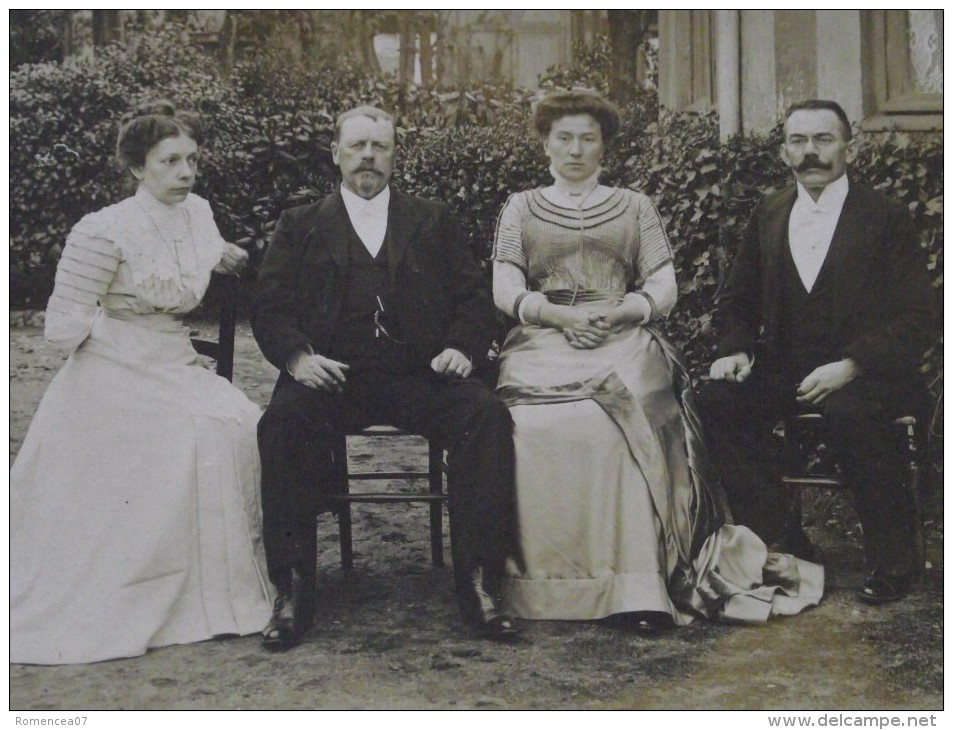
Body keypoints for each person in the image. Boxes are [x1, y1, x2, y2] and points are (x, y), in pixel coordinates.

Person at [492, 89, 823, 630]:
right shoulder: (521, 206)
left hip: (623, 333)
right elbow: (505, 282)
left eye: (588, 139)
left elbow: (664, 282)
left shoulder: (634, 205)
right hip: (543, 340)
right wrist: (554, 316)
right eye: (563, 138)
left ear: (605, 148)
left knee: (619, 421)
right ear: (546, 145)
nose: (575, 150)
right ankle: (544, 587)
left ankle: (638, 587)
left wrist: (628, 311)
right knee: (531, 423)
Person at [10, 101, 273, 665]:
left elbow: (207, 257)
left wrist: (223, 257)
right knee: (183, 436)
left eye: (192, 160)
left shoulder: (198, 212)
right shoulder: (104, 230)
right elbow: (61, 328)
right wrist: (116, 333)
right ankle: (141, 588)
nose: (185, 172)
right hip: (111, 365)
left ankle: (218, 591)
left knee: (240, 423)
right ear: (136, 168)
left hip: (172, 357)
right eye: (170, 161)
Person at [253, 105, 519, 649]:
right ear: (336, 153)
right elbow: (270, 308)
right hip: (333, 378)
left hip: (419, 377)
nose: (368, 157)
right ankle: (294, 587)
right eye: (356, 146)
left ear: (395, 154)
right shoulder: (299, 224)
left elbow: (474, 300)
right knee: (281, 423)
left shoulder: (433, 218)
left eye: (379, 146)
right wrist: (300, 360)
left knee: (486, 416)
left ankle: (478, 581)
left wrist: (460, 349)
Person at [696, 99, 935, 605]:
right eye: (798, 142)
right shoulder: (770, 212)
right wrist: (735, 349)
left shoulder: (884, 217)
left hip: (868, 373)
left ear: (849, 147)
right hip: (787, 367)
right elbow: (737, 299)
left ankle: (892, 560)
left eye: (823, 140)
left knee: (851, 411)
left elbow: (919, 316)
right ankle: (782, 535)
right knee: (716, 402)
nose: (811, 153)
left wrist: (852, 365)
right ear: (784, 152)